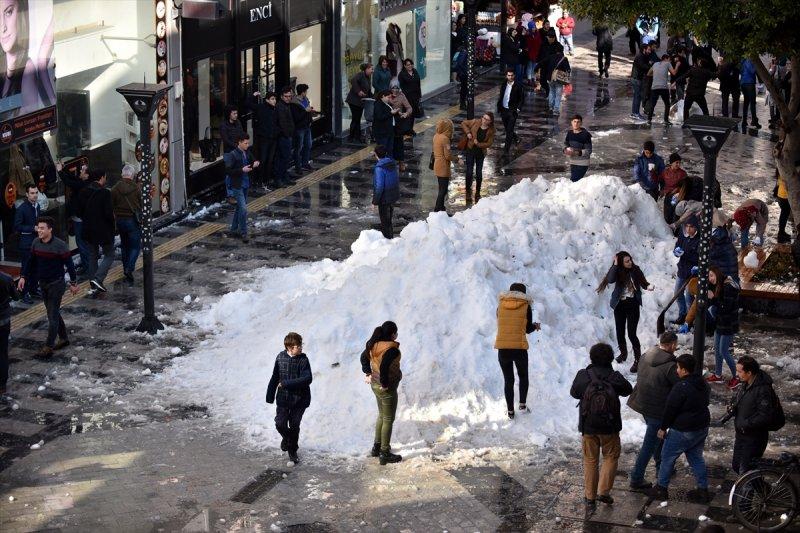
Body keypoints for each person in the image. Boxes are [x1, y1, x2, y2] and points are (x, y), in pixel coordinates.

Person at [570, 343, 633, 510]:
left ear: (592, 358)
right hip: (610, 426)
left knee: (590, 459)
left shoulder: (583, 375)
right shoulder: (614, 376)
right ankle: (603, 492)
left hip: (588, 426)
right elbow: (628, 390)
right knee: (610, 457)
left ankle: (589, 497)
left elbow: (574, 392)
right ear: (611, 358)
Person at [648, 354, 711, 503]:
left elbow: (670, 409)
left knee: (667, 457)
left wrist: (663, 428)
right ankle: (703, 490)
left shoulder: (681, 387)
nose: (676, 370)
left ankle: (661, 488)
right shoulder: (702, 383)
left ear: (684, 370)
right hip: (701, 427)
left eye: (678, 367)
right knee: (696, 458)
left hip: (683, 430)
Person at [17, 217, 79, 357]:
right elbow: (30, 262)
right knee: (54, 312)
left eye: (42, 228)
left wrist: (74, 283)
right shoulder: (35, 243)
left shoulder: (60, 245)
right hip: (43, 283)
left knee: (52, 314)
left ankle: (48, 346)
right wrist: (23, 277)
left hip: (56, 284)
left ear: (50, 229)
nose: (39, 230)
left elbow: (70, 265)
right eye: (38, 228)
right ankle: (63, 338)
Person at [626, 332, 680, 490]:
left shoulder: (645, 355)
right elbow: (679, 386)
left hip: (643, 404)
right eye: (675, 345)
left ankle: (661, 467)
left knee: (658, 438)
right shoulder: (671, 366)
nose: (675, 348)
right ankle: (636, 478)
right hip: (658, 410)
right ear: (670, 345)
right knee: (649, 444)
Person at [596, 252, 654, 372]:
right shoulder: (617, 270)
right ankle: (623, 353)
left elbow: (643, 281)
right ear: (621, 262)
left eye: (630, 260)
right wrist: (615, 265)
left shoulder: (635, 270)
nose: (630, 263)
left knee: (632, 334)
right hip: (620, 305)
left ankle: (637, 360)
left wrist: (648, 286)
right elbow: (610, 280)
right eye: (627, 261)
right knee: (620, 332)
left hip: (632, 304)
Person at [0, 0, 56, 117]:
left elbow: (28, 126)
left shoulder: (27, 69)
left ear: (21, 12)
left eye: (9, 12)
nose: (2, 27)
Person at [494, 283, 541, 420]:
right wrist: (535, 326)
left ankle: (510, 412)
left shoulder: (501, 305)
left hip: (503, 349)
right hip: (519, 348)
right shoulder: (526, 306)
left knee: (508, 380)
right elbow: (527, 329)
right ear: (523, 293)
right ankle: (522, 405)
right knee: (523, 376)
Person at [265, 332, 312, 464]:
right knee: (280, 423)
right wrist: (270, 396)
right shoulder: (280, 357)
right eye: (298, 346)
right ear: (289, 347)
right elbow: (275, 377)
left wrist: (286, 383)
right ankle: (287, 439)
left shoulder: (303, 360)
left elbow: (307, 378)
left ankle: (292, 451)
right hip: (283, 399)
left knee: (295, 425)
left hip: (300, 399)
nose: (300, 348)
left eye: (301, 345)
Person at [360, 321, 403, 465]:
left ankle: (376, 447)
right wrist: (385, 384)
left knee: (382, 415)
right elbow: (384, 367)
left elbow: (363, 357)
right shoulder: (392, 349)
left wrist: (367, 372)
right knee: (388, 419)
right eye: (396, 332)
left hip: (375, 385)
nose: (397, 335)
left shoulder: (373, 344)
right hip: (387, 388)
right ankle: (384, 453)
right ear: (392, 334)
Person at [730, 355, 781, 474]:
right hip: (741, 434)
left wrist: (745, 423)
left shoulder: (763, 389)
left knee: (747, 470)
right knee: (737, 466)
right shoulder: (745, 383)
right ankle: (759, 490)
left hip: (754, 437)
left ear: (749, 372)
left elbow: (765, 416)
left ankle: (758, 491)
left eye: (739, 371)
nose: (737, 374)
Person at [699, 268, 742, 387]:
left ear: (717, 273)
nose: (710, 279)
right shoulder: (718, 285)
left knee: (724, 351)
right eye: (708, 277)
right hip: (720, 323)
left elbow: (725, 308)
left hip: (728, 324)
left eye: (712, 275)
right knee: (717, 350)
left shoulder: (728, 287)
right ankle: (718, 375)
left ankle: (736, 376)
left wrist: (713, 298)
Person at [79, 170, 115, 294]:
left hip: (88, 229)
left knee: (92, 255)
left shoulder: (84, 191)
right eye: (105, 176)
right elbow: (108, 213)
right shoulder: (105, 193)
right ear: (102, 178)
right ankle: (98, 279)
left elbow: (79, 210)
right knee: (110, 254)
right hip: (103, 230)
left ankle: (93, 282)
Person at [224, 133, 260, 243]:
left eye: (248, 143)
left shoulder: (247, 152)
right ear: (239, 142)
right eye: (245, 143)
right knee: (243, 209)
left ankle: (234, 229)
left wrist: (255, 163)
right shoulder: (233, 155)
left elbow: (253, 160)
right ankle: (243, 232)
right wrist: (241, 170)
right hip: (237, 185)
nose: (247, 145)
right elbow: (228, 171)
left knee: (240, 207)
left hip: (245, 184)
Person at [111, 164, 142, 285]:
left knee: (125, 245)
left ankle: (125, 269)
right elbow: (142, 204)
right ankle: (129, 268)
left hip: (120, 221)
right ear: (133, 176)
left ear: (122, 175)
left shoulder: (114, 189)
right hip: (132, 221)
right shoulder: (137, 188)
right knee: (135, 246)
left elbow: (111, 204)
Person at [59, 162, 91, 274]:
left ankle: (88, 268)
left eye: (82, 171)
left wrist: (59, 172)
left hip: (80, 220)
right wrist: (63, 170)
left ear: (87, 175)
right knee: (82, 243)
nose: (80, 172)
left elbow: (69, 182)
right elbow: (73, 178)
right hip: (80, 219)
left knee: (81, 243)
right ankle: (87, 265)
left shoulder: (83, 185)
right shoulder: (83, 182)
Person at [12, 184, 40, 303]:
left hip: (36, 242)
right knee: (26, 269)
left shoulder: (37, 206)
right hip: (26, 243)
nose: (35, 195)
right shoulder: (22, 209)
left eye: (36, 193)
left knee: (35, 267)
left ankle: (33, 289)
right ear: (27, 194)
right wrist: (31, 228)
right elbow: (17, 226)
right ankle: (24, 293)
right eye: (32, 193)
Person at [460, 112, 495, 199]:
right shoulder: (475, 122)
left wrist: (478, 144)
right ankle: (468, 189)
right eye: (484, 118)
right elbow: (463, 123)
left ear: (490, 121)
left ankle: (478, 191)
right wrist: (468, 132)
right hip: (470, 149)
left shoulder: (491, 130)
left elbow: (489, 143)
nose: (484, 120)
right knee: (469, 171)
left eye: (487, 119)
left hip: (480, 152)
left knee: (479, 173)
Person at [672, 215, 700, 324]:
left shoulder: (700, 239)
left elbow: (699, 256)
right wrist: (676, 251)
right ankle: (682, 314)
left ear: (696, 227)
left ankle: (689, 320)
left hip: (692, 272)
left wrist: (686, 254)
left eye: (691, 227)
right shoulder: (683, 236)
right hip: (682, 269)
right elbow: (677, 246)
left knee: (689, 297)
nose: (688, 229)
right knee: (677, 293)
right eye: (687, 226)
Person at [675, 58, 715, 124]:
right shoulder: (707, 72)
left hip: (690, 93)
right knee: (705, 109)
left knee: (686, 108)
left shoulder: (693, 70)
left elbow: (684, 76)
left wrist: (675, 82)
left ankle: (686, 122)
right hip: (700, 94)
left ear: (700, 64)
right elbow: (715, 75)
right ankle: (707, 122)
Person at [250, 91, 277, 186]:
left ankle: (267, 179)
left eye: (275, 99)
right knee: (263, 159)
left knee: (270, 159)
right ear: (267, 100)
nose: (274, 101)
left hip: (273, 138)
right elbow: (248, 104)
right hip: (264, 138)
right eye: (272, 99)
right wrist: (253, 96)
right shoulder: (261, 107)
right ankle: (260, 179)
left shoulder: (275, 109)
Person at [372, 145, 400, 239]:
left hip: (384, 198)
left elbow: (379, 186)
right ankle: (390, 237)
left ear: (376, 154)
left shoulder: (379, 168)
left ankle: (388, 241)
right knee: (388, 220)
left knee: (385, 222)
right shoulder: (391, 163)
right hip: (393, 195)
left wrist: (375, 201)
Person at [496, 69, 524, 154]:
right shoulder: (504, 84)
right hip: (503, 110)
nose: (510, 77)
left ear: (514, 75)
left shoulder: (518, 85)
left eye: (512, 75)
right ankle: (516, 138)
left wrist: (518, 109)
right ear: (506, 76)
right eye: (508, 75)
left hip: (512, 111)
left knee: (509, 131)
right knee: (507, 128)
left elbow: (522, 98)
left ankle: (506, 150)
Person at [388, 80, 413, 172]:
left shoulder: (402, 96)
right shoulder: (387, 95)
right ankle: (391, 162)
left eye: (396, 88)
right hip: (389, 122)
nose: (394, 90)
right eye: (393, 88)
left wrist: (406, 114)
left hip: (398, 123)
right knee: (390, 143)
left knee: (399, 143)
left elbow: (409, 108)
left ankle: (401, 162)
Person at [290, 84, 315, 174]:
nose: (306, 93)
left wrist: (310, 113)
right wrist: (305, 111)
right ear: (302, 92)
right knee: (299, 147)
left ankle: (305, 163)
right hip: (299, 128)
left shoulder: (306, 99)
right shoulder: (294, 103)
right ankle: (298, 166)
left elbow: (307, 111)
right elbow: (296, 117)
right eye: (306, 91)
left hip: (307, 126)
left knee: (308, 145)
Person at [0, 268, 18, 394]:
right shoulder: (7, 278)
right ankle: (2, 385)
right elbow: (16, 296)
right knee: (2, 353)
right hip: (3, 321)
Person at [345, 63, 374, 142]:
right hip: (354, 101)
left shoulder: (368, 77)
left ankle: (357, 137)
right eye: (371, 69)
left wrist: (374, 96)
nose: (372, 71)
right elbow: (353, 81)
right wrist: (359, 91)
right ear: (367, 69)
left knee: (357, 119)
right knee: (355, 118)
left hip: (360, 102)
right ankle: (351, 137)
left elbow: (367, 90)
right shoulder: (360, 74)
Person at [656, 153, 687, 223]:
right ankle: (668, 231)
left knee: (676, 216)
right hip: (668, 196)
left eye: (679, 163)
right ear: (671, 163)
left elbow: (686, 186)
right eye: (677, 162)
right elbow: (659, 180)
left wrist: (678, 189)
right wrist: (653, 173)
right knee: (667, 216)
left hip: (678, 197)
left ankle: (675, 231)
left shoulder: (682, 173)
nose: (678, 164)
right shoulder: (665, 172)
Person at [647, 55, 677, 125]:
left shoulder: (655, 64)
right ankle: (666, 120)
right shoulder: (667, 63)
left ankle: (649, 120)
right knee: (667, 104)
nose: (670, 61)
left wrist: (656, 75)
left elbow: (648, 73)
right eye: (669, 59)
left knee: (652, 104)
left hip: (654, 87)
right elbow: (674, 73)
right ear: (666, 59)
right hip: (663, 87)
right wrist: (677, 65)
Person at [274, 86, 295, 186]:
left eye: (289, 96)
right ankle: (279, 179)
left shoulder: (286, 105)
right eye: (286, 96)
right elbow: (282, 123)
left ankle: (284, 177)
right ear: (282, 97)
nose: (288, 98)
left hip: (286, 135)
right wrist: (287, 134)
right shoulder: (280, 107)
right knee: (283, 158)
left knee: (285, 158)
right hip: (283, 136)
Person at [432, 119, 453, 213]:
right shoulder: (445, 139)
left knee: (441, 188)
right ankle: (437, 208)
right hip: (443, 166)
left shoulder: (436, 136)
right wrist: (457, 159)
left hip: (437, 164)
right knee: (443, 190)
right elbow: (448, 156)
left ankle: (441, 208)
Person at [563, 115, 592, 182]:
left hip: (582, 163)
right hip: (573, 161)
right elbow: (566, 144)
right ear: (571, 122)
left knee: (574, 181)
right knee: (576, 182)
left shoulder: (586, 135)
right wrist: (565, 149)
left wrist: (576, 152)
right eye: (574, 121)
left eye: (578, 122)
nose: (576, 124)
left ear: (581, 123)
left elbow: (589, 151)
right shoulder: (569, 133)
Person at [631, 42, 654, 120]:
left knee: (636, 97)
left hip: (637, 78)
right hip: (636, 78)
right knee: (637, 97)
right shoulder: (640, 56)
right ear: (644, 49)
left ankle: (634, 113)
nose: (649, 51)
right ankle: (636, 113)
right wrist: (650, 65)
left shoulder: (643, 56)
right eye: (648, 50)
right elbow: (643, 66)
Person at [372, 90, 398, 156]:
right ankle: (384, 164)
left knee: (390, 149)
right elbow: (380, 117)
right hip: (382, 132)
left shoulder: (386, 104)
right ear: (383, 96)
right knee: (383, 150)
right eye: (388, 97)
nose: (389, 99)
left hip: (389, 130)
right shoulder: (378, 104)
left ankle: (389, 163)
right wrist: (391, 113)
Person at [545, 48, 571, 115]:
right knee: (558, 95)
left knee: (551, 92)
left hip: (550, 78)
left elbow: (546, 66)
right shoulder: (564, 59)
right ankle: (556, 110)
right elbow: (568, 69)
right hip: (559, 79)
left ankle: (550, 107)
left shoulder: (550, 57)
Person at [398, 59, 422, 126]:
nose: (410, 66)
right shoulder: (402, 74)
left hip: (415, 96)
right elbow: (401, 86)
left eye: (411, 64)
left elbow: (418, 84)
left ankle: (411, 129)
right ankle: (406, 129)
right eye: (408, 65)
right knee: (408, 113)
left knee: (413, 114)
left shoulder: (414, 71)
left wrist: (419, 95)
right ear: (405, 66)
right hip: (407, 97)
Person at [740, 58, 761, 130]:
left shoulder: (742, 60)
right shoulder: (749, 60)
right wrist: (756, 66)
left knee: (746, 102)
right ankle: (754, 121)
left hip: (743, 83)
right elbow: (752, 71)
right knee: (752, 103)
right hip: (749, 83)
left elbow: (741, 71)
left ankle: (744, 121)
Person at [775, 169, 792, 243]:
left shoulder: (779, 170)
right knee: (784, 215)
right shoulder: (785, 172)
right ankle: (781, 234)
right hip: (785, 196)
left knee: (784, 215)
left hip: (781, 195)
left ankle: (782, 232)